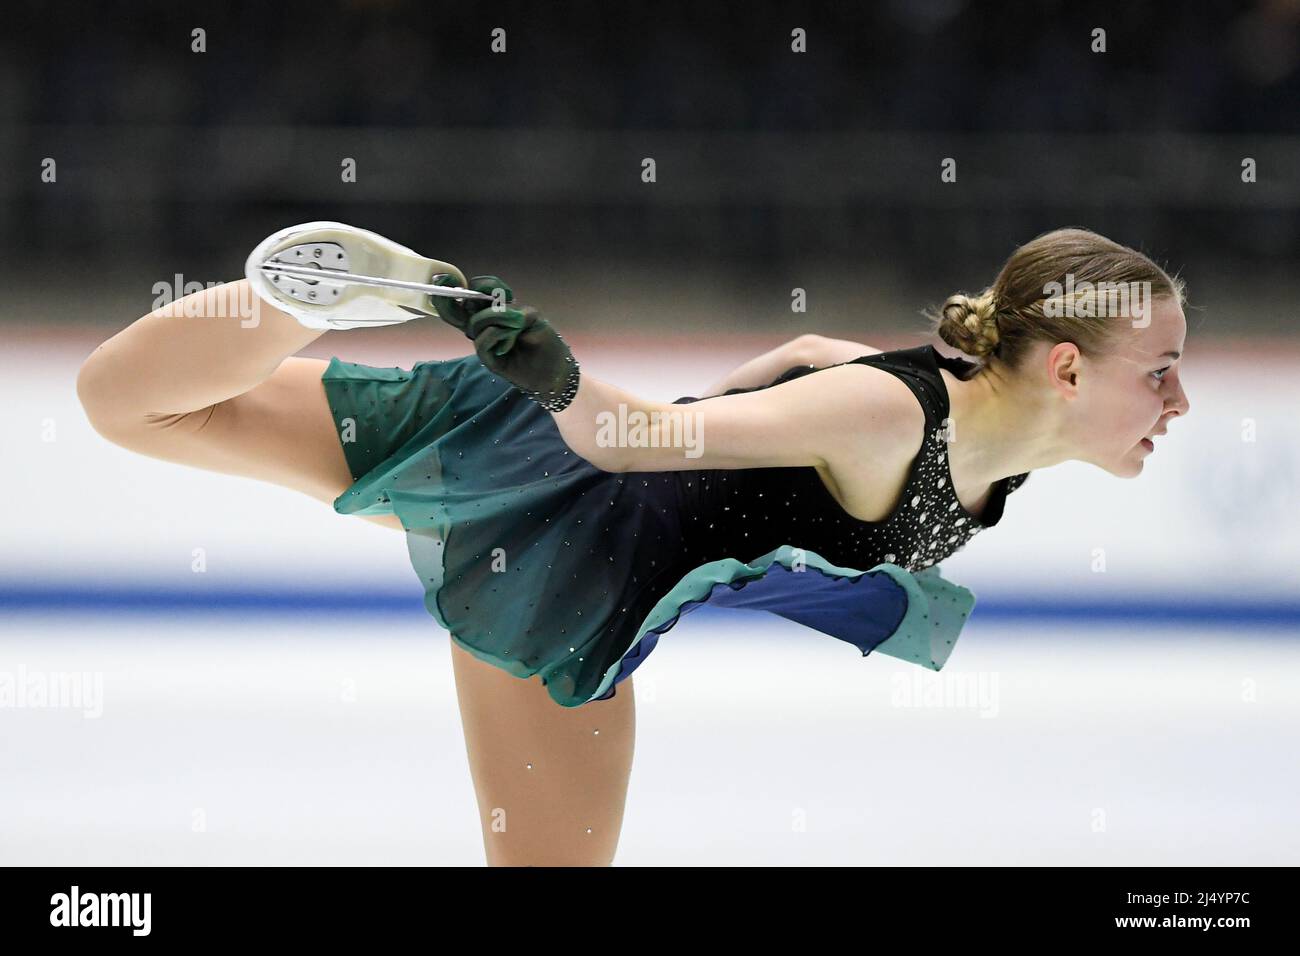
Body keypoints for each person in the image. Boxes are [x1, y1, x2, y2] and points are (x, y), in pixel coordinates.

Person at [75, 223, 1189, 865]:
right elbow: (636, 437)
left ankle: (295, 304)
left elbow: (802, 348)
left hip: (530, 467)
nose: (1179, 398)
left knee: (125, 400)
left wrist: (726, 404)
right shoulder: (890, 414)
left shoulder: (988, 428)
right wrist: (565, 378)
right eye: (1161, 370)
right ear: (1067, 367)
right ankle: (303, 296)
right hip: (571, 561)